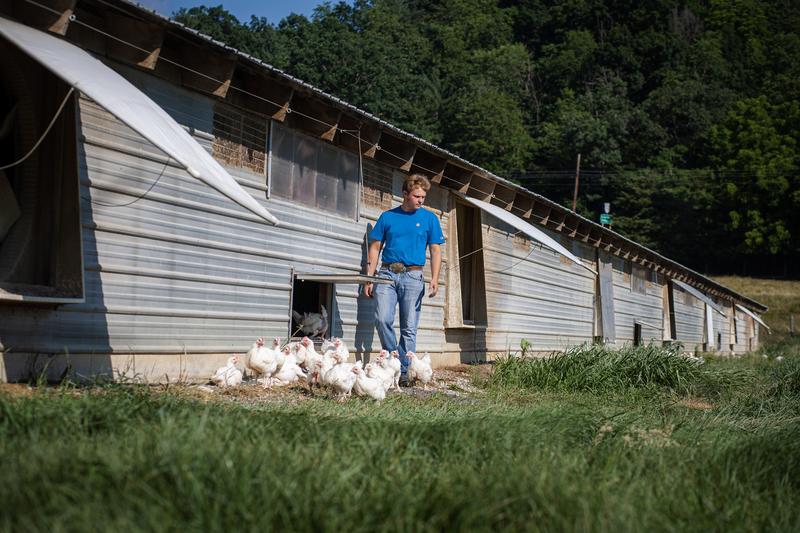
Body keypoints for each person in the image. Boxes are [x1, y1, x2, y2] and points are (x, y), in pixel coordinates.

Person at [364, 173, 444, 386]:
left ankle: (405, 373)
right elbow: (374, 247)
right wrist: (369, 278)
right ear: (405, 194)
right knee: (382, 319)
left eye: (423, 197)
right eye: (417, 196)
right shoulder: (388, 217)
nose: (420, 200)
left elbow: (436, 250)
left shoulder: (429, 219)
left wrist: (435, 278)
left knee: (409, 327)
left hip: (414, 276)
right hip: (387, 274)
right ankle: (394, 359)